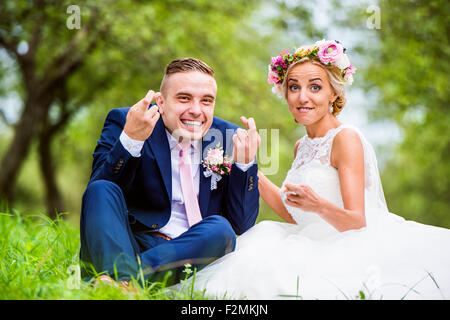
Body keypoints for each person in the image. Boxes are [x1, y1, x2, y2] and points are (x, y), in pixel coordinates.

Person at [188, 40, 450, 299]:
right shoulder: (301, 145)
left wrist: (318, 205)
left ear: (333, 93)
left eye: (315, 87)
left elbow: (357, 222)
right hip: (309, 236)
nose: (303, 97)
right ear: (285, 94)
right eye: (294, 87)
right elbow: (295, 215)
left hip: (348, 244)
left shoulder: (345, 139)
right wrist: (245, 166)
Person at [79, 58, 261, 287]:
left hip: (195, 251)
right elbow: (99, 197)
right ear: (161, 103)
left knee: (221, 229)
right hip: (130, 245)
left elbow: (241, 225)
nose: (196, 111)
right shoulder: (128, 120)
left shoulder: (228, 136)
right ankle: (126, 280)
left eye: (206, 101)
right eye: (184, 98)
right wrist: (131, 141)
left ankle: (120, 282)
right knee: (101, 187)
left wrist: (245, 164)